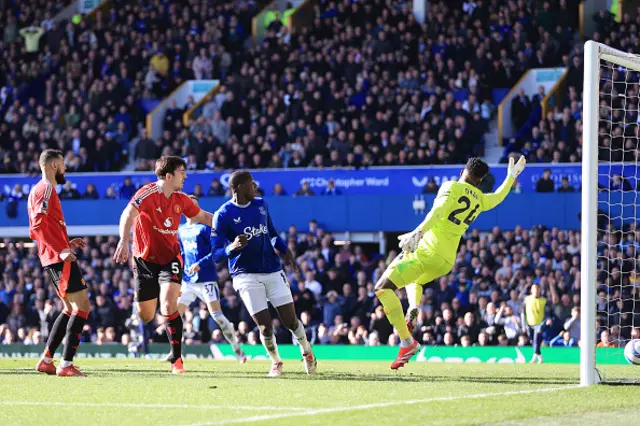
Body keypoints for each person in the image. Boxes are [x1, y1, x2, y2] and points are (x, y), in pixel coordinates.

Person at [375, 156, 527, 369]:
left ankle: (406, 342)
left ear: (462, 172)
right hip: (445, 262)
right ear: (480, 181)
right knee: (414, 282)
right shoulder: (480, 199)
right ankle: (413, 307)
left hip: (426, 252)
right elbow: (498, 197)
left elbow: (437, 212)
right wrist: (511, 177)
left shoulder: (452, 187)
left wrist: (418, 233)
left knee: (382, 288)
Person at [113, 156, 215, 374]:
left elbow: (204, 216)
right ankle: (148, 308)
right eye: (181, 172)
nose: (185, 176)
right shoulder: (146, 194)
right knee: (146, 315)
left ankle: (177, 360)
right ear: (168, 176)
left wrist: (230, 224)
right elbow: (127, 214)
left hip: (171, 259)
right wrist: (123, 240)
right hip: (144, 260)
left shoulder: (181, 199)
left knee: (169, 306)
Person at [211, 171, 317, 377]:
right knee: (265, 327)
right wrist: (231, 248)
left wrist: (286, 252)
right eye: (251, 184)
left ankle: (307, 351)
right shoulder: (223, 214)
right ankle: (276, 361)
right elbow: (216, 254)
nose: (255, 188)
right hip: (245, 275)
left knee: (290, 321)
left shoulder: (261, 205)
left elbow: (273, 234)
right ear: (240, 188)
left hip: (272, 269)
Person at [28, 149, 91, 377]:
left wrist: (66, 242)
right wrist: (61, 250)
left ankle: (47, 360)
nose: (65, 167)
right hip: (56, 258)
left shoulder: (42, 190)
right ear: (54, 165)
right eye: (63, 162)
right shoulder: (45, 189)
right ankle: (65, 365)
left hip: (54, 255)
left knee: (69, 308)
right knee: (82, 307)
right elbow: (37, 226)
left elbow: (47, 226)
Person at [163, 194, 246, 363]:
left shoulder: (205, 228)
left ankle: (238, 350)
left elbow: (215, 252)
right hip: (188, 281)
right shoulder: (181, 230)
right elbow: (183, 253)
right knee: (173, 316)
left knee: (218, 317)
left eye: (194, 205)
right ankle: (175, 353)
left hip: (206, 279)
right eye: (188, 205)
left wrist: (200, 263)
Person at [522, 284, 546, 363]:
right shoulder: (527, 299)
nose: (536, 290)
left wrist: (543, 325)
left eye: (537, 288)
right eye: (534, 289)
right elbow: (523, 312)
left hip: (539, 325)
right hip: (529, 324)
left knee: (536, 341)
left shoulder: (543, 300)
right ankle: (540, 358)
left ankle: (533, 358)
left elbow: (547, 313)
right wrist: (523, 325)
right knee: (533, 342)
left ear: (539, 290)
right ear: (531, 290)